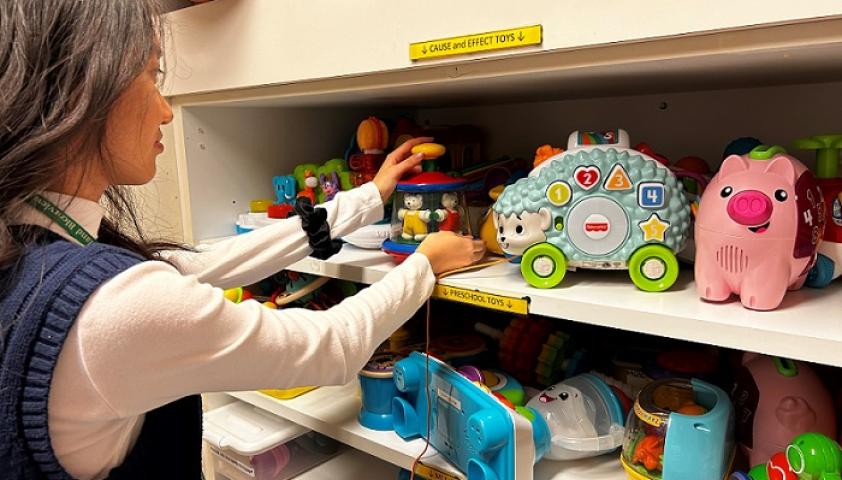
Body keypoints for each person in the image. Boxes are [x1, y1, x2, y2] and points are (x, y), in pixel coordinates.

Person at [0, 2, 485, 479]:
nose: (167, 112)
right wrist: (425, 263)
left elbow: (208, 261)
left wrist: (367, 198)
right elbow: (329, 347)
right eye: (152, 76)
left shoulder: (36, 243)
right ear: (84, 90)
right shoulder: (112, 307)